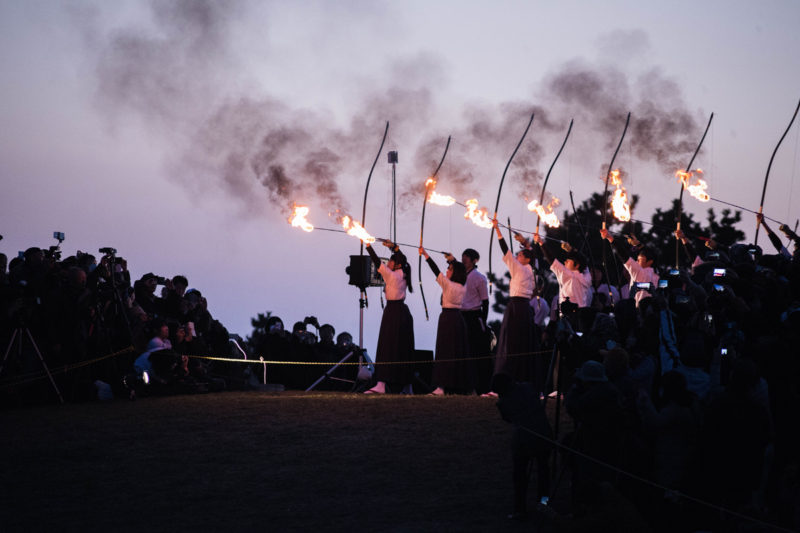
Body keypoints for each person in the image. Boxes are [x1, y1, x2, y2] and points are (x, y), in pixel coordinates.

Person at [492, 372, 553, 520]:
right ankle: (543, 504)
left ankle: (520, 508)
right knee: (543, 471)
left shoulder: (504, 402)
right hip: (543, 433)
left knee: (520, 474)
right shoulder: (528, 387)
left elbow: (508, 418)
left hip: (524, 439)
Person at [364, 240, 415, 394]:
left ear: (396, 264)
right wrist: (394, 248)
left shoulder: (394, 276)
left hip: (394, 312)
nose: (388, 263)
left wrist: (368, 245)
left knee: (387, 347)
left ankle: (381, 384)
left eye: (391, 261)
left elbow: (376, 262)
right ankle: (405, 385)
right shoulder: (402, 274)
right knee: (401, 348)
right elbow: (399, 259)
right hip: (401, 312)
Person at [420, 246, 471, 395]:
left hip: (448, 319)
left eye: (449, 269)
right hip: (458, 319)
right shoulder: (463, 286)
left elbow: (435, 270)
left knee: (445, 352)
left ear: (454, 273)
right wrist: (452, 259)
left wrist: (426, 255)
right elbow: (459, 269)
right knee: (456, 352)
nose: (447, 271)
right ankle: (455, 385)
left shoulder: (448, 285)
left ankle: (441, 387)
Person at [491, 218, 536, 386]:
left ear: (526, 259)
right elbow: (532, 254)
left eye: (520, 254)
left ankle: (508, 379)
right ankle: (523, 378)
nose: (517, 256)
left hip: (516, 307)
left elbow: (505, 250)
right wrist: (524, 242)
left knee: (510, 342)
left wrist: (497, 230)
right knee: (523, 343)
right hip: (525, 308)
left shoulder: (519, 268)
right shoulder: (532, 268)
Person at [454, 247, 492, 395]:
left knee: (476, 352)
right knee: (462, 351)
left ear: (474, 260)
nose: (463, 260)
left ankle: (481, 387)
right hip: (461, 314)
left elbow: (485, 302)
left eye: (466, 258)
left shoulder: (479, 277)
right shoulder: (460, 275)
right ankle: (462, 385)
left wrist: (483, 321)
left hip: (474, 317)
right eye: (462, 258)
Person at [600, 229, 659, 306]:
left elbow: (623, 254)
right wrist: (638, 244)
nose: (636, 262)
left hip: (639, 310)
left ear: (649, 262)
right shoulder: (656, 272)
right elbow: (653, 256)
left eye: (639, 260)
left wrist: (610, 237)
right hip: (655, 311)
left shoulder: (640, 271)